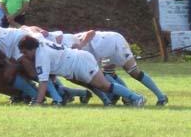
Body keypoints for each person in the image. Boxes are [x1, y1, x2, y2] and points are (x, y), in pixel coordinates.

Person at [17, 36, 147, 107]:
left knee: (105, 85)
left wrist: (38, 103)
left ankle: (136, 98)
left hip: (80, 64)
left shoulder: (41, 56)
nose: (25, 55)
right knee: (101, 85)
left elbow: (43, 83)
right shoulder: (40, 42)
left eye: (25, 52)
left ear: (31, 48)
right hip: (78, 60)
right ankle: (127, 99)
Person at [51, 30, 168, 105]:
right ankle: (128, 97)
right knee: (107, 74)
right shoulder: (57, 48)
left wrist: (80, 45)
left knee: (134, 72)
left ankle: (161, 96)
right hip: (102, 53)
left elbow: (91, 32)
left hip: (113, 43)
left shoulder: (67, 40)